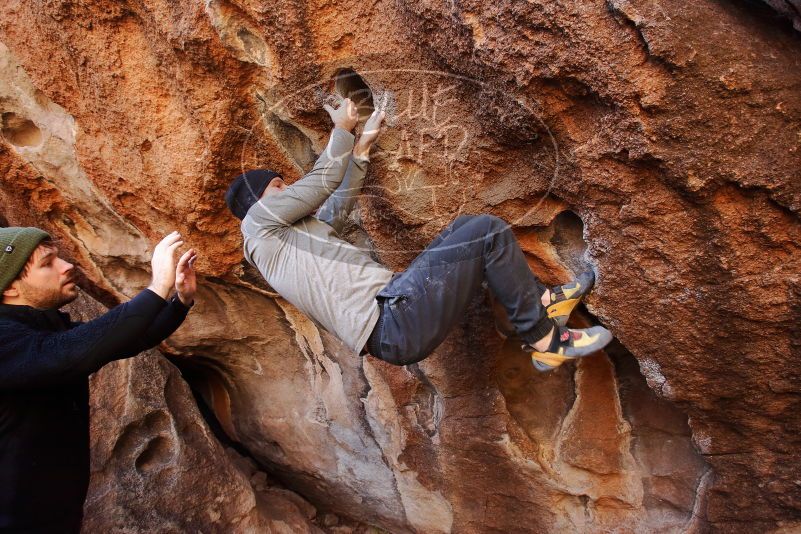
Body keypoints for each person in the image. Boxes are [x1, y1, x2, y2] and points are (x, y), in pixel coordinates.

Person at [225, 98, 611, 373]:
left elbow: (336, 206)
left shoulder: (290, 239)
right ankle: (545, 341)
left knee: (465, 230)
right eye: (279, 186)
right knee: (487, 232)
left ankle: (538, 301)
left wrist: (360, 150)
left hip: (396, 317)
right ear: (259, 199)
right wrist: (340, 129)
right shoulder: (257, 224)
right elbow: (320, 183)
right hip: (392, 318)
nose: (287, 188)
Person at [0, 227, 197, 532]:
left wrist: (178, 301)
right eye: (48, 262)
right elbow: (71, 352)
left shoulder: (42, 331)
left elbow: (120, 340)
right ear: (10, 288)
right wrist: (156, 287)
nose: (66, 266)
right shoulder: (6, 341)